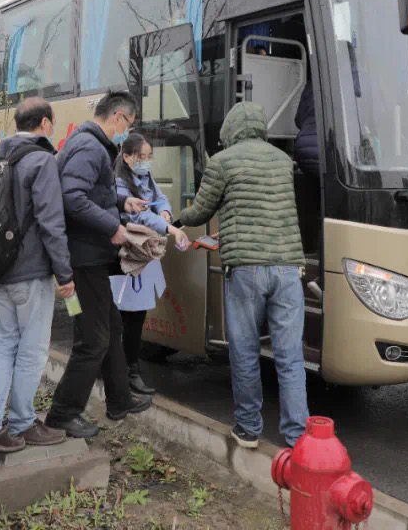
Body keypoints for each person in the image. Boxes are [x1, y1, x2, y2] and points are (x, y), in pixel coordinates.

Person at [177, 102, 308, 450]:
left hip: (247, 271)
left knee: (246, 350)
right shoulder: (282, 160)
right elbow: (269, 211)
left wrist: (176, 217)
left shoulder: (222, 162)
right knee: (290, 356)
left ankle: (249, 429)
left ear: (230, 131)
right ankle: (297, 437)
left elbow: (202, 210)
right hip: (287, 269)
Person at [44, 91, 152, 439]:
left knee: (112, 328)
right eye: (128, 125)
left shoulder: (87, 144)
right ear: (119, 117)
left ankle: (119, 400)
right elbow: (72, 197)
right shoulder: (91, 148)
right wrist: (114, 227)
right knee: (92, 341)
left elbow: (90, 192)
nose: (126, 133)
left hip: (87, 258)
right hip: (83, 260)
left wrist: (123, 201)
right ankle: (62, 413)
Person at [0, 98, 73, 453]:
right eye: (53, 123)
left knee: (2, 346)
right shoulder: (41, 160)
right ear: (44, 123)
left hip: (0, 272)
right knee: (32, 351)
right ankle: (22, 422)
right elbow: (51, 222)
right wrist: (65, 273)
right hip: (31, 273)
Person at [110, 133, 189, 396]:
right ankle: (122, 372)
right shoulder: (119, 184)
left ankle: (130, 370)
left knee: (138, 315)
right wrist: (169, 227)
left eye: (149, 157)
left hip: (144, 257)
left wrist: (166, 211)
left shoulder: (145, 177)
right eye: (141, 157)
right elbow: (141, 217)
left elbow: (160, 198)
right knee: (124, 316)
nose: (146, 162)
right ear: (127, 157)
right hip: (125, 258)